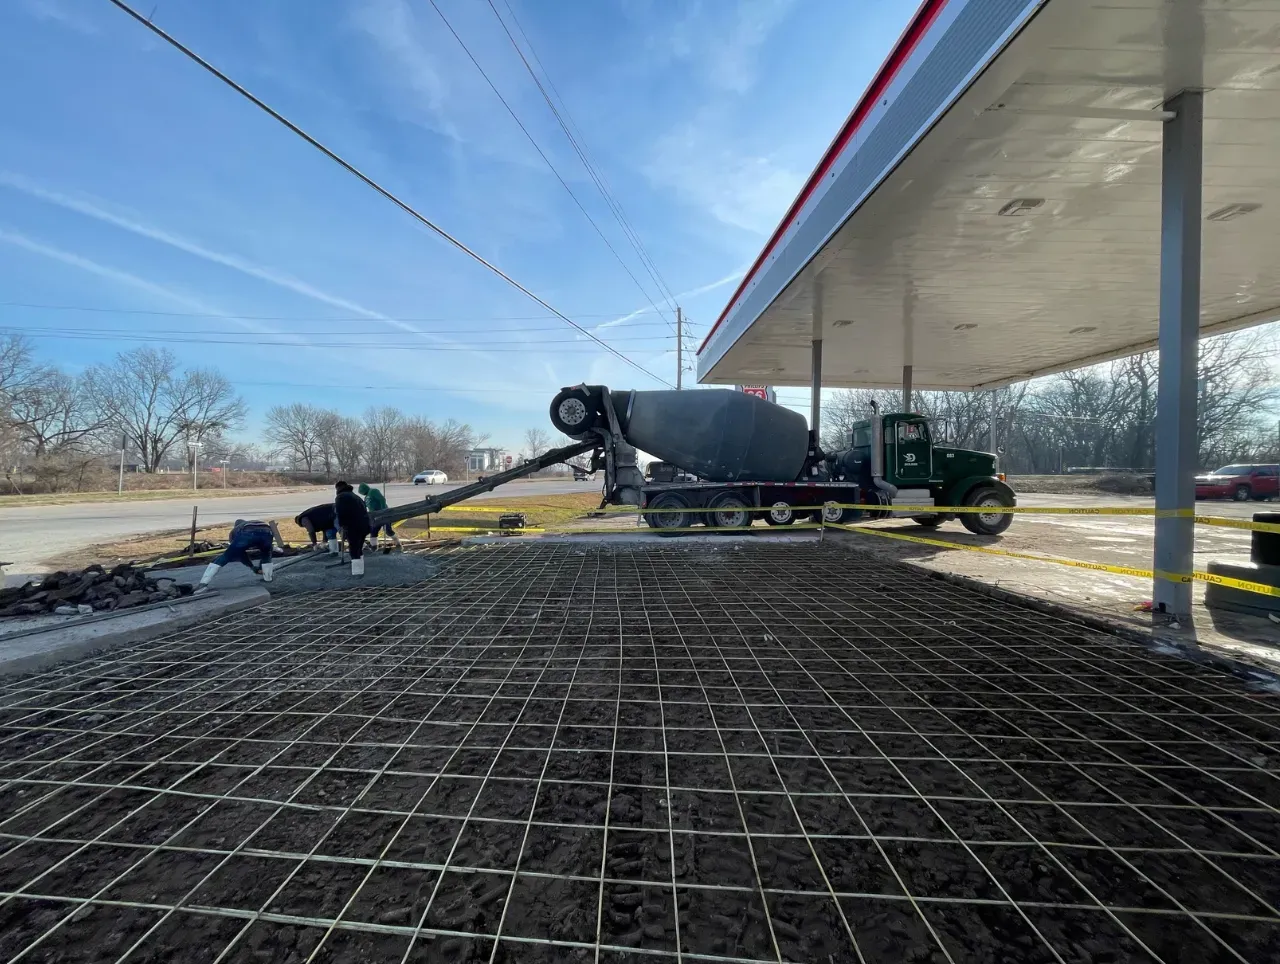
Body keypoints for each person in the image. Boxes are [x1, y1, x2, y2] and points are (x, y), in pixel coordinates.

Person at [196, 519, 283, 593]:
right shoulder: (250, 523)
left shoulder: (234, 531)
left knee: (226, 557)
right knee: (266, 553)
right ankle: (268, 578)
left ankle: (203, 584)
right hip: (267, 531)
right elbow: (267, 550)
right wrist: (259, 567)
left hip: (247, 532)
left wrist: (252, 567)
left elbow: (240, 553)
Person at [334, 481, 371, 576]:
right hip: (365, 525)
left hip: (353, 526)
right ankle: (360, 568)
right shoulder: (355, 496)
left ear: (338, 488)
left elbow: (340, 513)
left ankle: (357, 573)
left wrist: (343, 527)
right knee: (359, 548)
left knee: (354, 549)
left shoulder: (341, 497)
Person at [358, 482, 403, 552]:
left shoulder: (373, 491)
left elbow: (382, 499)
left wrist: (383, 510)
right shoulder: (366, 497)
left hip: (384, 514)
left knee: (388, 530)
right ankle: (374, 547)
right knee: (373, 531)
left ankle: (398, 544)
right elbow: (366, 506)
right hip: (376, 517)